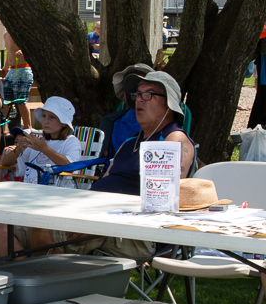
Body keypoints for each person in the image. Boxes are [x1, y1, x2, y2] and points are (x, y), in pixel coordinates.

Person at [53, 72, 195, 261]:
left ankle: (50, 275)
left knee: (46, 233)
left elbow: (162, 200)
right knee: (15, 228)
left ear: (168, 104)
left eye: (148, 94)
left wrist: (98, 218)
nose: (139, 100)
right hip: (97, 217)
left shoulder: (174, 140)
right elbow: (106, 180)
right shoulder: (130, 142)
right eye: (138, 94)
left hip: (134, 231)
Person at [0, 96, 83, 258]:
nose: (45, 121)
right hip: (28, 202)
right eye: (44, 116)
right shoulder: (37, 141)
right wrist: (19, 149)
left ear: (64, 122)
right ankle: (18, 266)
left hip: (55, 204)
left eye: (52, 117)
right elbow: (8, 163)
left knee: (36, 224)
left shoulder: (70, 142)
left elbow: (71, 167)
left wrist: (44, 148)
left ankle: (29, 267)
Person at [1, 31, 33, 127]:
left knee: (21, 102)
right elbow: (9, 51)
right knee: (5, 101)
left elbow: (33, 47)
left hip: (23, 69)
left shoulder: (21, 31)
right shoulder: (6, 35)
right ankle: (1, 128)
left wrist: (24, 51)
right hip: (11, 70)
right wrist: (6, 66)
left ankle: (28, 128)